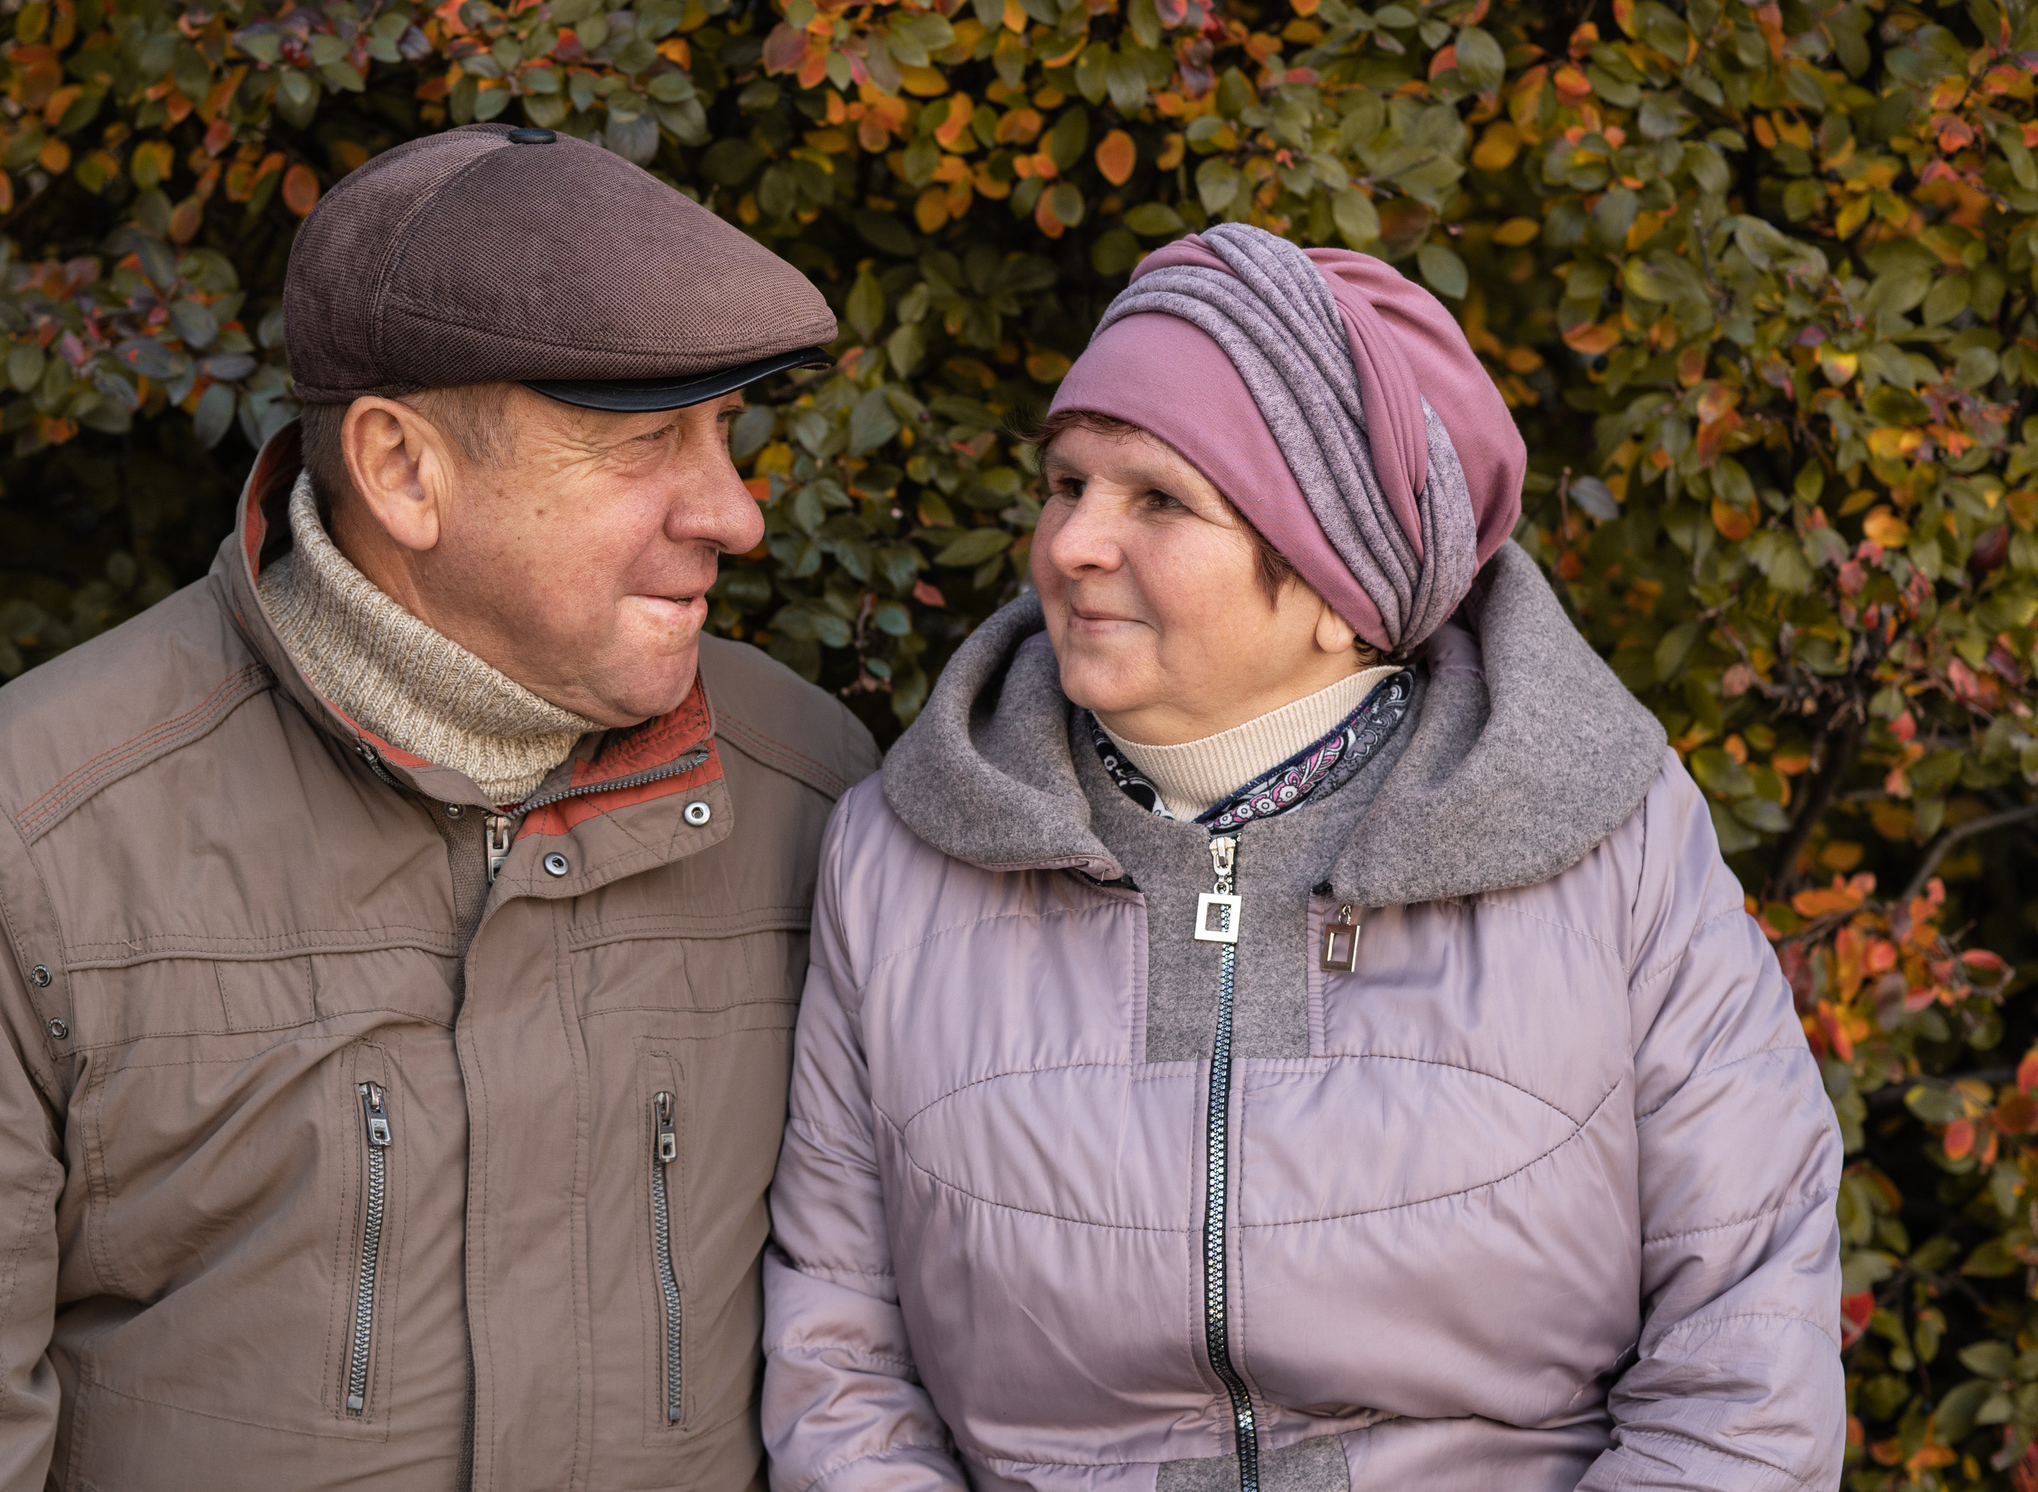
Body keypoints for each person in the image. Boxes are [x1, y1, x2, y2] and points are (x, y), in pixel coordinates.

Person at [0, 123, 880, 1492]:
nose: (735, 514)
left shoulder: (810, 787)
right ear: (401, 467)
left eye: (727, 435)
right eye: (648, 441)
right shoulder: (21, 844)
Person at [761, 224, 1843, 1491]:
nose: (1070, 546)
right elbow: (840, 1352)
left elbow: (1744, 1352)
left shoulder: (1612, 840)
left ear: (1344, 585)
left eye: (1157, 498)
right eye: (1066, 484)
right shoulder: (900, 852)